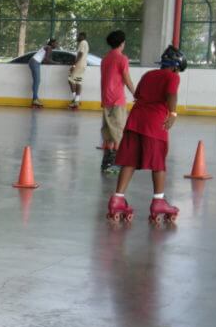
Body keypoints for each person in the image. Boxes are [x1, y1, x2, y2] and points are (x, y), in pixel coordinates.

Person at [106, 45, 187, 224]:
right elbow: (171, 95)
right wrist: (173, 114)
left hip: (135, 121)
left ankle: (117, 198)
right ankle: (158, 201)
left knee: (130, 161)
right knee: (158, 163)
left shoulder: (148, 75)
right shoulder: (172, 76)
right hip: (154, 123)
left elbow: (139, 96)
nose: (178, 74)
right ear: (175, 66)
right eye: (179, 70)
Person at [99, 30, 135, 173]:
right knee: (119, 130)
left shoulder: (105, 59)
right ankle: (116, 162)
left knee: (108, 131)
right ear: (122, 43)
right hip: (117, 99)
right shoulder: (122, 58)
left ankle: (106, 161)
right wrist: (135, 93)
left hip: (106, 98)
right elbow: (126, 78)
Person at [27, 38, 56, 108]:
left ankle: (35, 99)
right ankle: (35, 99)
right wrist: (57, 63)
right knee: (37, 81)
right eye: (56, 43)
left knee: (36, 81)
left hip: (33, 62)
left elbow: (45, 60)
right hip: (35, 62)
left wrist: (51, 61)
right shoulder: (49, 48)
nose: (56, 45)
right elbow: (47, 60)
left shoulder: (46, 47)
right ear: (52, 43)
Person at [68, 31, 89, 109]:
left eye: (78, 36)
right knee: (78, 81)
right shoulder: (85, 43)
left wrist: (74, 65)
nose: (77, 37)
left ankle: (75, 100)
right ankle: (77, 100)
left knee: (70, 80)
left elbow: (80, 54)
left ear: (82, 36)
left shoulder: (82, 42)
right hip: (83, 65)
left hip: (79, 64)